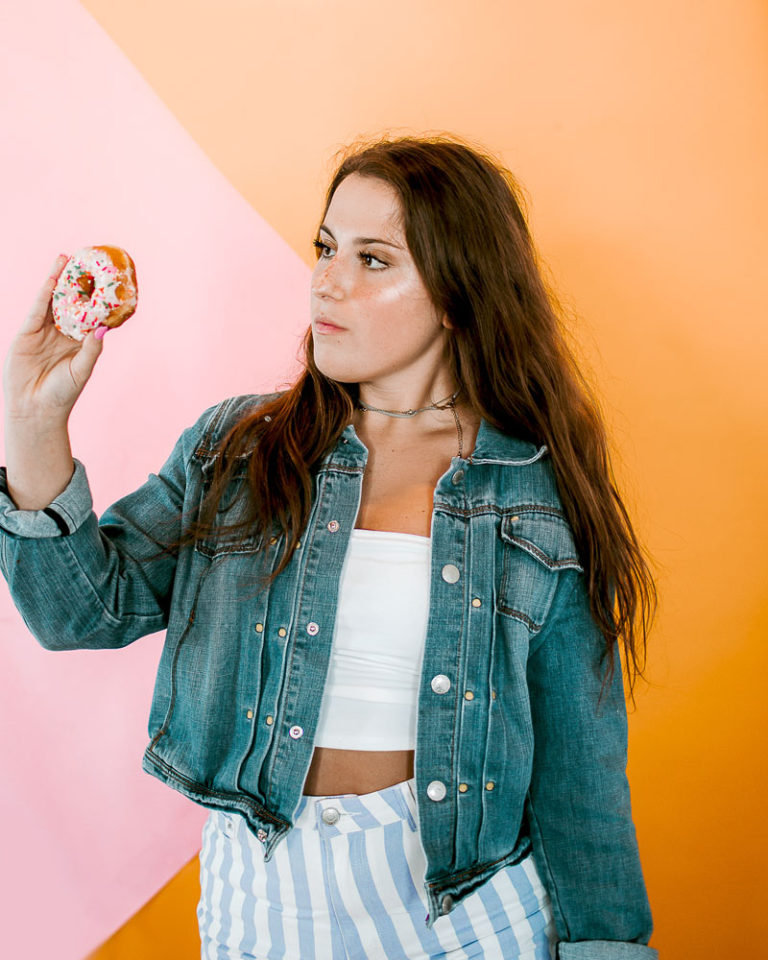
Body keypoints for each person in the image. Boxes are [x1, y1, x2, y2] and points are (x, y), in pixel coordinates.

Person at [0, 134, 658, 960]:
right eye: (325, 247)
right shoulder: (236, 451)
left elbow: (581, 772)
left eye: (373, 259)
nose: (326, 279)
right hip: (261, 911)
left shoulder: (534, 487)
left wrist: (609, 945)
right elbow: (81, 615)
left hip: (467, 918)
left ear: (458, 292)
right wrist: (31, 423)